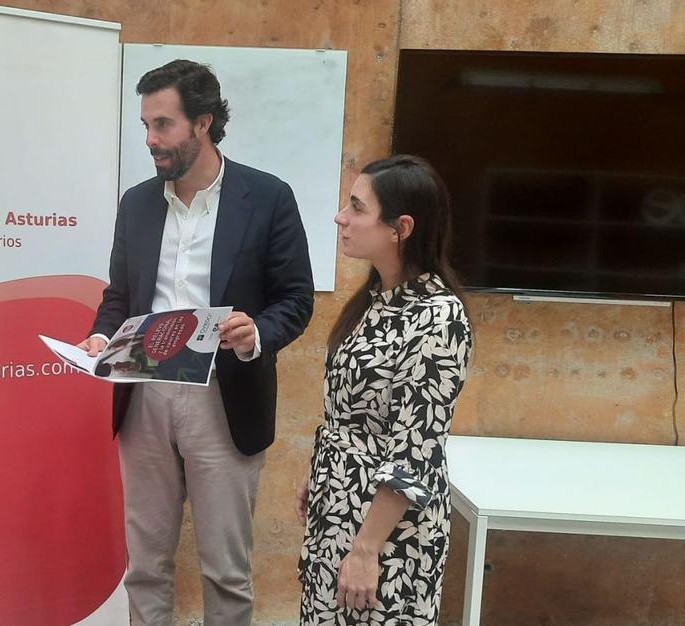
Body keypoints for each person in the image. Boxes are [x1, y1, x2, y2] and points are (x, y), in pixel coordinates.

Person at [78, 59, 314, 625]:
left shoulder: (268, 197)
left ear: (203, 122)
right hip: (145, 396)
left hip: (223, 397)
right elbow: (120, 295)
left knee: (225, 572)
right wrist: (100, 334)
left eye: (163, 125)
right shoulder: (136, 203)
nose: (150, 140)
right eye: (145, 126)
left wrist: (257, 332)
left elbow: (296, 299)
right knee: (146, 566)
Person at [296, 155, 473, 625]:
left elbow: (416, 451)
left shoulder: (439, 318)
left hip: (388, 531)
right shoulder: (373, 302)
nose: (341, 217)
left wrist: (366, 548)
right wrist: (322, 475)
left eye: (357, 207)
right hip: (339, 509)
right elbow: (351, 415)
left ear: (401, 227)